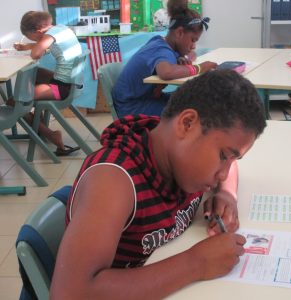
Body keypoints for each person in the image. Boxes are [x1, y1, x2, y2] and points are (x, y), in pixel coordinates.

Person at [50, 69, 267, 299]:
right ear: (187, 124)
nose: (223, 173)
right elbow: (69, 293)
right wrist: (196, 263)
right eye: (223, 155)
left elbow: (230, 168)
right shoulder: (114, 179)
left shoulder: (175, 150)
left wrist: (226, 195)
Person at [112, 0, 217, 118]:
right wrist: (200, 67)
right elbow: (166, 73)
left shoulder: (163, 43)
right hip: (133, 107)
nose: (193, 46)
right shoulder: (161, 49)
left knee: (191, 102)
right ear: (179, 33)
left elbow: (192, 54)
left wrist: (182, 59)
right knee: (191, 112)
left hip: (144, 99)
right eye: (193, 40)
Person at [13, 11, 82, 156]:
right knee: (35, 73)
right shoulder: (61, 29)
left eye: (35, 38)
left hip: (62, 88)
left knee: (15, 102)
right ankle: (32, 105)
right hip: (71, 82)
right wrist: (26, 46)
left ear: (39, 30)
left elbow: (37, 54)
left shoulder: (50, 35)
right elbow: (45, 47)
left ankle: (51, 134)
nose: (37, 40)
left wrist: (35, 47)